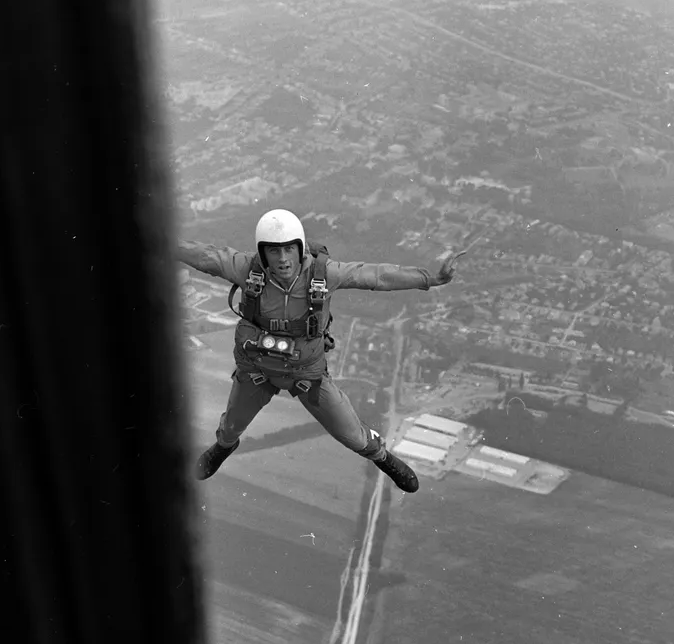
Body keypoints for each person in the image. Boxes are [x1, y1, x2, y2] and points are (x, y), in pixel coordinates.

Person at [176, 209, 463, 492]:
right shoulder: (247, 270)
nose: (283, 259)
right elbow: (206, 257)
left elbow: (378, 277)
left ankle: (382, 457)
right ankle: (223, 447)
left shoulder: (324, 275)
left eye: (289, 249)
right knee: (230, 426)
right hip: (257, 369)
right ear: (262, 254)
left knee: (353, 436)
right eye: (274, 252)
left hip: (307, 374)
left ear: (300, 249)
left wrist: (430, 279)